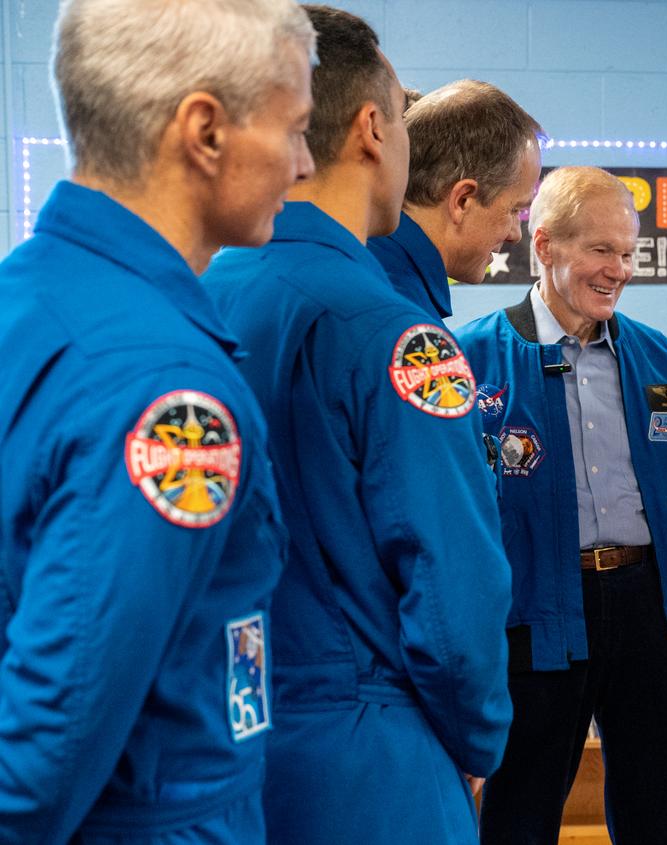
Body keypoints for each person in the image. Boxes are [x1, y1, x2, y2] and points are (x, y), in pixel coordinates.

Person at [0, 1, 314, 841]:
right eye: (293, 128)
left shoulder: (27, 298)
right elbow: (47, 750)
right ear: (205, 131)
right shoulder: (166, 387)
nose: (304, 162)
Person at [202, 7, 512, 844]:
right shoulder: (395, 334)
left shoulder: (202, 293)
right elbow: (455, 584)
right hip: (367, 753)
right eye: (407, 118)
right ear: (373, 128)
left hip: (217, 738)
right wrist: (479, 736)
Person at [455, 166, 667, 845]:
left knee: (655, 815)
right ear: (546, 246)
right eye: (600, 250)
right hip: (535, 613)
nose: (617, 269)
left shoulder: (658, 359)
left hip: (645, 607)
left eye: (627, 252)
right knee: (520, 816)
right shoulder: (473, 357)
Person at [368, 79, 542, 321]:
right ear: (462, 201)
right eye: (513, 210)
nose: (516, 235)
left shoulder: (371, 268)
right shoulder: (400, 314)